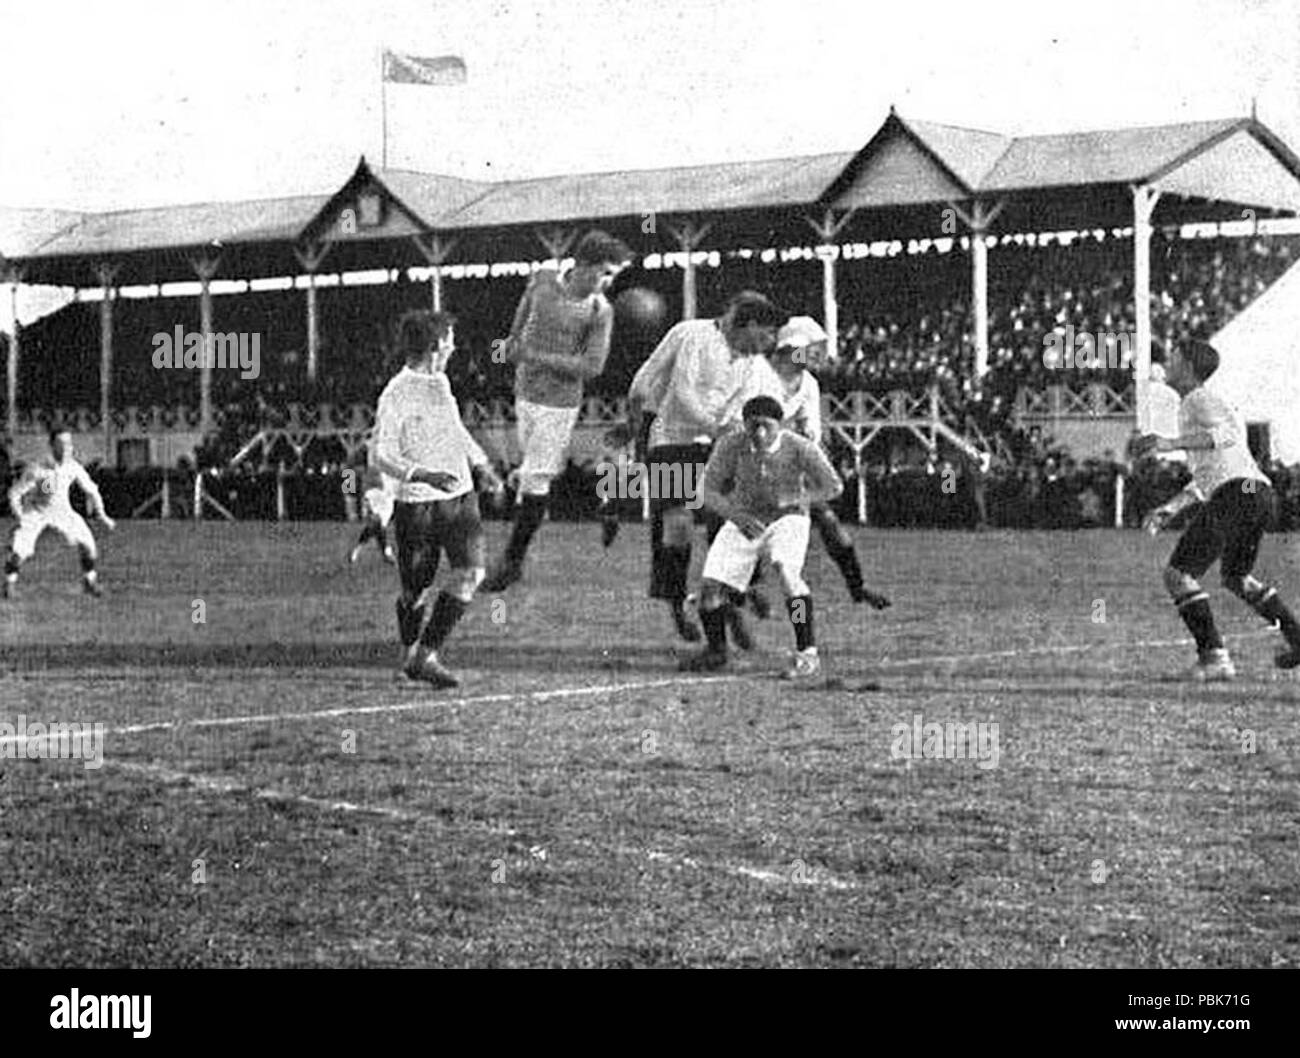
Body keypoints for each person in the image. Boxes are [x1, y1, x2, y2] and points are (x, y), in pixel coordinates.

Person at [619, 290, 787, 642]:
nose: (771, 342)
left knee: (730, 526)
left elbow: (746, 406)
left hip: (713, 445)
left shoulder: (753, 363)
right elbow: (681, 392)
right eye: (768, 332)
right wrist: (637, 423)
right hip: (672, 440)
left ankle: (732, 602)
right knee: (678, 527)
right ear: (750, 323)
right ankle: (678, 604)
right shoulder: (694, 335)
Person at [1134, 339, 1300, 680]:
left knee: (1179, 574)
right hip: (1255, 491)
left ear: (1189, 367)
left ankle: (1214, 657)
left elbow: (1226, 435)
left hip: (1240, 492)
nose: (1167, 361)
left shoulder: (1199, 398)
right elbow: (1214, 474)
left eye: (1174, 357)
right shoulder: (1195, 404)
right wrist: (1171, 507)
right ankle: (1297, 637)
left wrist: (1169, 443)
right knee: (1237, 578)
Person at [482, 230, 633, 592]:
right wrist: (512, 345)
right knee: (535, 473)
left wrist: (534, 356)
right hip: (525, 392)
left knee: (536, 477)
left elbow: (593, 367)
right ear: (582, 265)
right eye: (605, 272)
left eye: (613, 276)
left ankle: (511, 563)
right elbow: (520, 323)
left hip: (559, 402)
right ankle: (605, 499)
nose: (608, 282)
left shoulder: (600, 311)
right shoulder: (543, 279)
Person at [371, 310, 504, 688]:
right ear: (434, 346)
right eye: (448, 339)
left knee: (472, 573)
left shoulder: (441, 383)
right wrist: (424, 474)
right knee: (415, 591)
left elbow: (455, 430)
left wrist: (481, 464)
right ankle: (409, 652)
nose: (454, 346)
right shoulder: (396, 393)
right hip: (418, 504)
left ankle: (426, 656)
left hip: (460, 498)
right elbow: (381, 454)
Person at [720, 315, 890, 609]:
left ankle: (858, 587)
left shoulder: (809, 384)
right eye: (810, 348)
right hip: (746, 459)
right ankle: (746, 589)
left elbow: (810, 433)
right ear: (791, 348)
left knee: (827, 519)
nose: (815, 355)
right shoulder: (757, 373)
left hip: (784, 462)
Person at [681, 395, 843, 678]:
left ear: (780, 425)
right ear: (744, 425)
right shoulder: (731, 444)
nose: (759, 433)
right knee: (709, 589)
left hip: (788, 519)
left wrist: (798, 497)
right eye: (753, 426)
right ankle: (717, 651)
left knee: (786, 571)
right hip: (745, 518)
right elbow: (706, 491)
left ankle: (807, 652)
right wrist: (736, 517)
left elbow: (833, 486)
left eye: (766, 426)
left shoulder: (800, 447)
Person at [4, 429, 115, 599]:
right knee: (21, 548)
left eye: (68, 444)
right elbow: (15, 493)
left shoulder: (73, 467)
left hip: (62, 511)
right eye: (61, 444)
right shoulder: (38, 469)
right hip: (37, 511)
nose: (66, 448)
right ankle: (8, 585)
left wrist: (103, 515)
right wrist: (20, 516)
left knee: (88, 545)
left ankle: (89, 582)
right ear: (52, 446)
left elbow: (92, 491)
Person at [348, 470, 397, 565]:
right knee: (378, 525)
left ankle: (357, 549)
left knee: (376, 529)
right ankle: (387, 552)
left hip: (386, 500)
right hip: (376, 496)